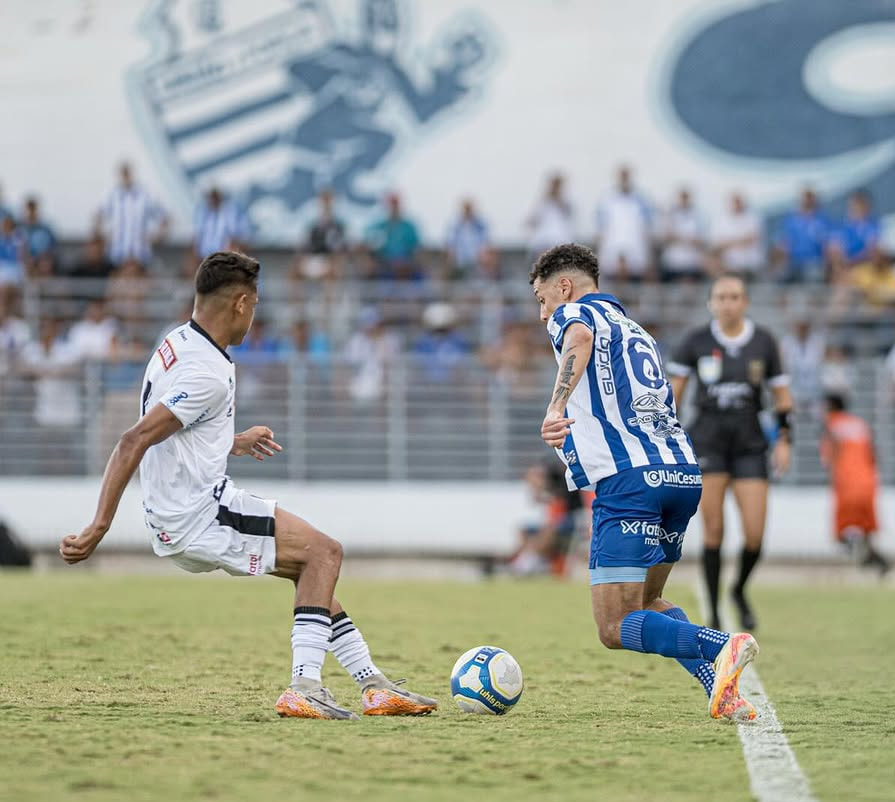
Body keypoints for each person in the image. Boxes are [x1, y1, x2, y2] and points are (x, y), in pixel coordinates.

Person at [59, 251, 438, 717]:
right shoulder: (207, 373)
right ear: (240, 303)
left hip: (180, 510)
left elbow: (176, 428)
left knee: (312, 570)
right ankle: (305, 686)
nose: (254, 317)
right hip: (200, 512)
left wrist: (229, 440)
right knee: (326, 552)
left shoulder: (177, 341)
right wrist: (99, 525)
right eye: (255, 305)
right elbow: (133, 438)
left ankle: (374, 684)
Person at [531, 243, 758, 721]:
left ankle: (722, 644)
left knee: (614, 626)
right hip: (680, 474)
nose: (542, 312)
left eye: (541, 299)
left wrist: (555, 407)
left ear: (564, 286)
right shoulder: (635, 329)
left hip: (628, 482)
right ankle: (721, 687)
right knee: (649, 601)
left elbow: (576, 341)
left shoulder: (573, 313)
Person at [668, 276, 793, 631]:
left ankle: (738, 589)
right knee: (714, 531)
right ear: (711, 303)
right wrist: (670, 438)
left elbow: (781, 396)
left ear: (745, 301)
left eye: (735, 297)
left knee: (755, 533)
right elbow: (674, 394)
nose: (728, 303)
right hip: (708, 440)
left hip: (750, 442)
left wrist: (784, 439)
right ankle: (715, 614)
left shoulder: (764, 341)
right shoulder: (696, 341)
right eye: (721, 297)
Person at [819, 394, 891, 575]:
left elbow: (829, 455)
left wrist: (830, 467)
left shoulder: (831, 424)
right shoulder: (859, 423)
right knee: (867, 524)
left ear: (830, 407)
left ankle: (854, 551)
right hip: (868, 478)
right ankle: (870, 556)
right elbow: (873, 452)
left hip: (846, 479)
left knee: (843, 526)